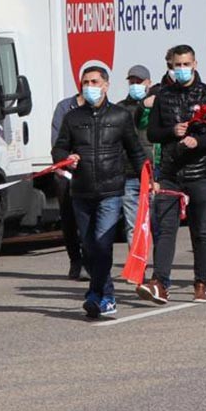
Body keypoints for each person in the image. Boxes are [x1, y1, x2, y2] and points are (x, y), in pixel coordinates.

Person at [53, 63, 146, 319]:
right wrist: (66, 157)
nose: (90, 87)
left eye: (94, 82)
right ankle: (105, 294)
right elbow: (58, 148)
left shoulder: (120, 116)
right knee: (89, 247)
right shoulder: (73, 118)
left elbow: (135, 150)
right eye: (85, 83)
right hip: (81, 191)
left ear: (106, 85)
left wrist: (148, 178)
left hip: (111, 190)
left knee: (103, 244)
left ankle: (98, 296)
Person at [147, 44, 206, 298]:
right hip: (170, 172)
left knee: (200, 230)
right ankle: (160, 282)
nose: (182, 70)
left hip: (200, 172)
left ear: (195, 64)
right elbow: (152, 133)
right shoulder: (163, 96)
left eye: (186, 64)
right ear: (171, 67)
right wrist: (171, 132)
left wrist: (197, 141)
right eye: (177, 65)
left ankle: (201, 281)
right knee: (166, 229)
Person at [50, 85, 87, 282]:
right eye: (87, 83)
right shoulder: (65, 108)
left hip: (91, 173)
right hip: (66, 172)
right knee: (69, 218)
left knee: (90, 219)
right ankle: (75, 260)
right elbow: (57, 142)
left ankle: (90, 261)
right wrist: (65, 158)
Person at [120, 64, 157, 238]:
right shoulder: (120, 109)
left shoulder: (156, 107)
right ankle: (137, 264)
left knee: (157, 224)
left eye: (139, 81)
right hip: (129, 173)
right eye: (132, 81)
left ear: (149, 82)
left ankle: (159, 264)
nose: (135, 85)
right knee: (132, 226)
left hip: (152, 173)